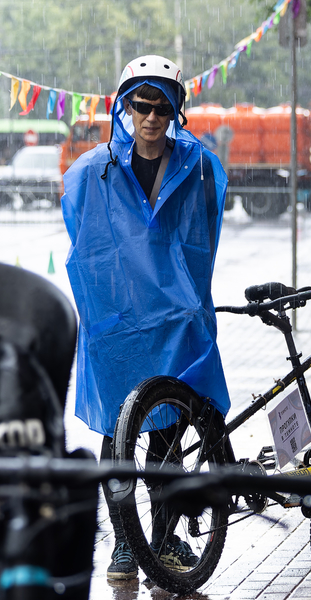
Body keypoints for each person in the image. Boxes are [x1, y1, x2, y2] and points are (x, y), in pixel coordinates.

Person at [61, 55, 229, 581]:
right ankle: (125, 549)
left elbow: (204, 237)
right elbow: (84, 243)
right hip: (118, 326)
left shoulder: (197, 164)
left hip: (175, 325)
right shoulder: (94, 171)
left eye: (161, 107)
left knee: (165, 439)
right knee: (117, 435)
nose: (151, 117)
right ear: (125, 108)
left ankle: (157, 542)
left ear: (176, 111)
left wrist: (187, 301)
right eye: (141, 106)